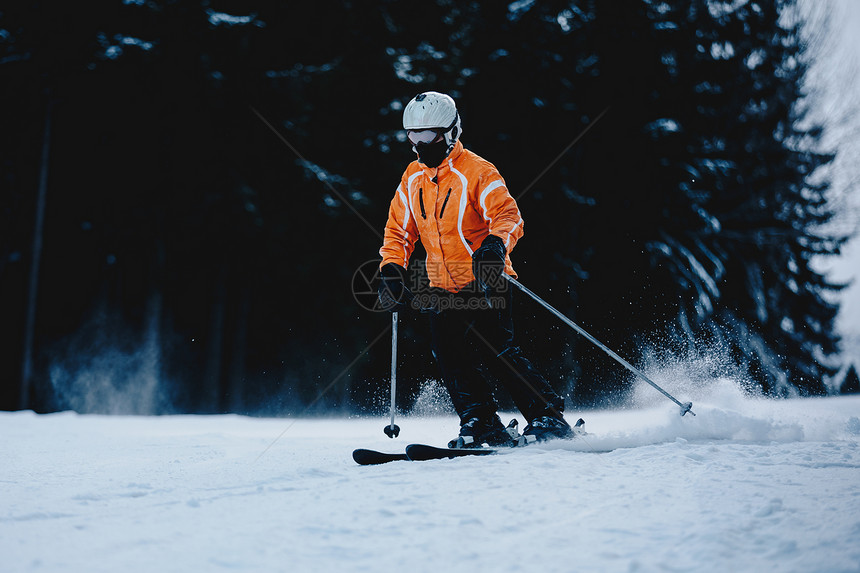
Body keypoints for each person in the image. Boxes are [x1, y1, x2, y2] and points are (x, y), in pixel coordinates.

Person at [376, 91, 577, 448]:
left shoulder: (477, 171)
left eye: (430, 137)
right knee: (448, 353)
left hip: (486, 278)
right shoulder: (413, 178)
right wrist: (392, 267)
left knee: (495, 349)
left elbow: (508, 216)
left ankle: (548, 417)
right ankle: (481, 423)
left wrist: (496, 245)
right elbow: (398, 231)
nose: (421, 145)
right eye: (413, 137)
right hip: (440, 284)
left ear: (452, 131)